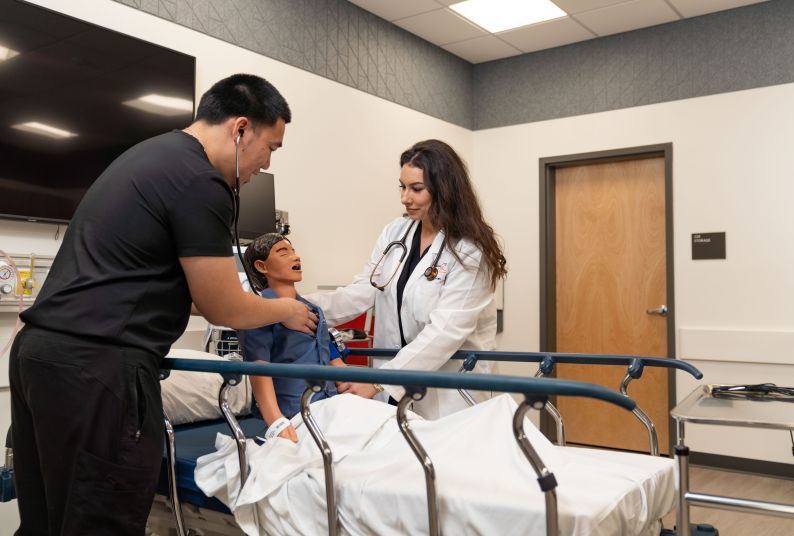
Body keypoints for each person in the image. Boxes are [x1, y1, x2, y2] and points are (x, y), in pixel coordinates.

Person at [8, 74, 318, 536]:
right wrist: (285, 310)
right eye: (270, 147)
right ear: (239, 129)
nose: (265, 163)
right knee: (100, 522)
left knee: (46, 521)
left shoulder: (151, 156)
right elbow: (223, 308)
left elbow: (153, 280)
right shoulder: (200, 180)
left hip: (40, 355)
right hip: (99, 369)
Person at [307, 139, 507, 419]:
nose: (405, 198)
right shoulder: (396, 233)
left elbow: (445, 332)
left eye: (416, 189)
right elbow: (364, 290)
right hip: (393, 385)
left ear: (444, 190)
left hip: (448, 390)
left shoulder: (470, 250)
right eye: (402, 187)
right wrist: (301, 305)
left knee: (441, 457)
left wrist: (380, 380)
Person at [237, 233, 347, 443]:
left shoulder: (313, 309)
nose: (296, 257)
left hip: (331, 406)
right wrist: (276, 420)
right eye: (283, 252)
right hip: (295, 413)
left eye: (294, 251)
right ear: (262, 267)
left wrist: (363, 386)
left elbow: (334, 361)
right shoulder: (258, 311)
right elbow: (258, 368)